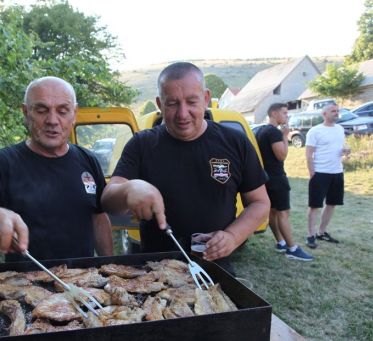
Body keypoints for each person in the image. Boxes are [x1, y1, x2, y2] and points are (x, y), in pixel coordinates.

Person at [100, 62, 270, 276]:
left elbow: (260, 202)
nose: (182, 113)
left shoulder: (235, 142)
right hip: (155, 276)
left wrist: (233, 237)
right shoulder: (141, 144)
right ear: (159, 104)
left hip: (215, 272)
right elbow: (108, 201)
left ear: (206, 99)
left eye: (191, 102)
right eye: (172, 103)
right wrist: (128, 189)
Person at [0, 76, 113, 262]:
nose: (52, 120)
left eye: (63, 111)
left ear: (74, 114)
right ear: (26, 113)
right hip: (25, 285)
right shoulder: (2, 163)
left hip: (80, 284)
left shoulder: (88, 160)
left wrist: (110, 267)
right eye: (41, 111)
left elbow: (99, 219)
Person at [256, 103, 314, 261]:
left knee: (273, 213)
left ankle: (281, 243)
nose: (286, 116)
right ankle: (292, 248)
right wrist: (284, 135)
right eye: (284, 113)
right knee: (283, 213)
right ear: (274, 114)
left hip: (266, 179)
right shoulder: (274, 132)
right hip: (277, 179)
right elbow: (281, 155)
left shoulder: (260, 130)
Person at [305, 102, 350, 249]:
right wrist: (312, 172)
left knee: (332, 203)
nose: (336, 113)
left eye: (337, 111)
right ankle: (310, 235)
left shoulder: (340, 129)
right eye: (333, 111)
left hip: (337, 172)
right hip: (320, 173)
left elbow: (339, 149)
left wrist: (345, 153)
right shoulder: (315, 131)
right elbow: (309, 154)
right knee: (314, 205)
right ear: (324, 114)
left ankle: (321, 232)